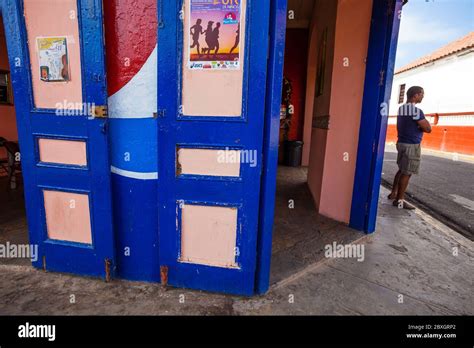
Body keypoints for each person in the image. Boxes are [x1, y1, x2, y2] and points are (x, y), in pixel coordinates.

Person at [388, 86, 431, 209]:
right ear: (415, 95)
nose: (423, 96)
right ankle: (399, 201)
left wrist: (419, 126)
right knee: (407, 173)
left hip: (401, 142)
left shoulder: (402, 109)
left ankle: (393, 193)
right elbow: (428, 128)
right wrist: (421, 126)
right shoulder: (416, 111)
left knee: (401, 169)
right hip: (411, 145)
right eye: (422, 94)